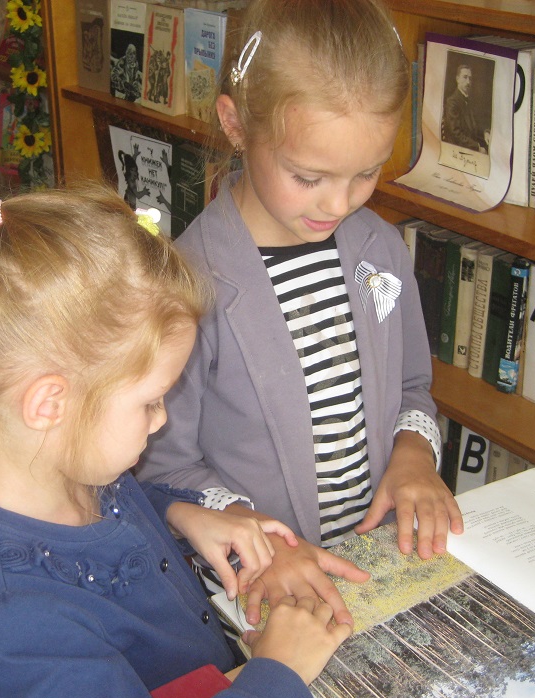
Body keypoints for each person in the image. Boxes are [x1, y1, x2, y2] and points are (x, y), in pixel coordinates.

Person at [0, 185, 354, 698]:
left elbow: (124, 508)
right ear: (50, 403)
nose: (161, 420)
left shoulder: (58, 462)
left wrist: (179, 514)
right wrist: (278, 677)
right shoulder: (19, 622)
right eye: (150, 401)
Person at [137, 0, 464, 626]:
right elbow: (162, 466)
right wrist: (260, 540)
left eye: (366, 173)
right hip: (262, 588)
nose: (338, 204)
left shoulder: (380, 253)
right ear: (235, 124)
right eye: (308, 177)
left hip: (375, 563)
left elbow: (411, 387)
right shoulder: (187, 287)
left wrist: (414, 455)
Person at [442, 64, 489, 153]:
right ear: (457, 79)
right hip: (457, 150)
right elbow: (456, 134)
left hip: (470, 147)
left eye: (470, 78)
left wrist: (485, 133)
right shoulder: (452, 102)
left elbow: (475, 126)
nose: (468, 82)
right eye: (465, 77)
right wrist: (477, 148)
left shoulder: (469, 101)